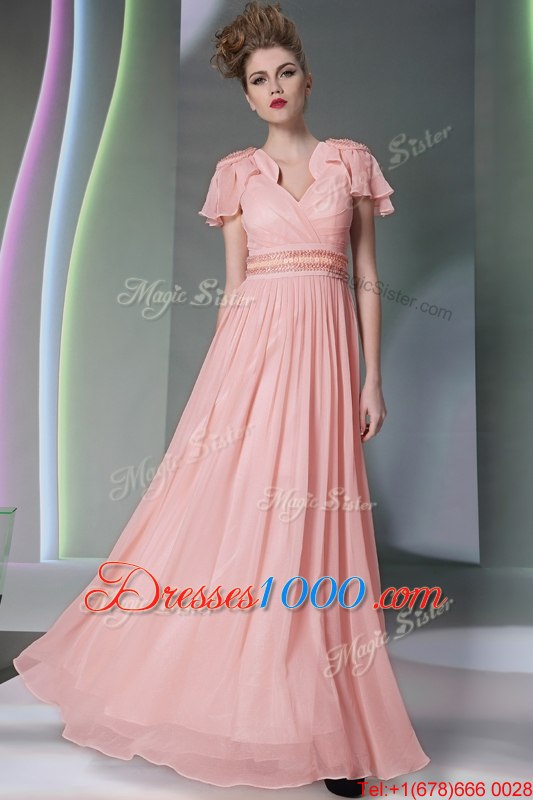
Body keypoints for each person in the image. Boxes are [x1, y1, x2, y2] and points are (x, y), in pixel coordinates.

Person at [13, 1, 430, 795]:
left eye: (284, 72)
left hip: (326, 364)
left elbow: (367, 279)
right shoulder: (237, 174)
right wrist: (216, 394)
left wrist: (371, 379)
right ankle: (225, 704)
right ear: (245, 95)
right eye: (257, 79)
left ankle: (332, 732)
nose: (273, 87)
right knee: (237, 517)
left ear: (307, 79)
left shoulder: (349, 163)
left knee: (316, 527)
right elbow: (234, 289)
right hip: (251, 361)